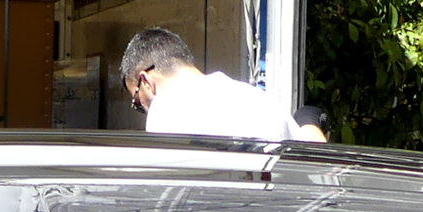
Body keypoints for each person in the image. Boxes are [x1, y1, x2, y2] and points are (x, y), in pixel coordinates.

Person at [120, 30, 325, 143]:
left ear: (146, 81)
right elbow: (315, 159)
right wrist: (308, 121)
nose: (145, 110)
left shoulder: (164, 108)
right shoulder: (262, 101)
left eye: (138, 102)